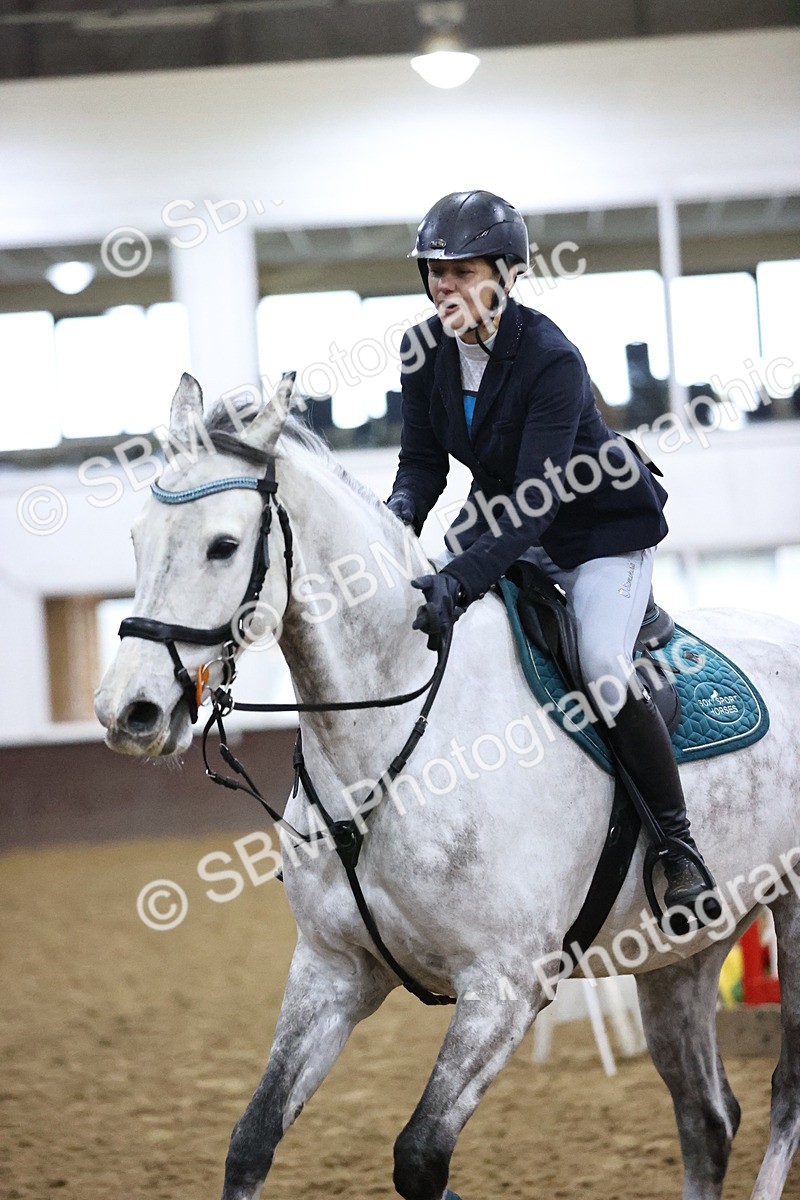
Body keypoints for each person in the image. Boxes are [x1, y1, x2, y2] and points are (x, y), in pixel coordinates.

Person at [386, 188, 717, 915]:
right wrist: (394, 521)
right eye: (435, 271)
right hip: (507, 520)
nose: (444, 284)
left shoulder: (549, 357)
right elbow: (422, 465)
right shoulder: (422, 350)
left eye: (463, 269)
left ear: (505, 275)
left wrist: (458, 580)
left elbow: (536, 505)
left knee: (600, 665)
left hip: (596, 533)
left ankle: (678, 844)